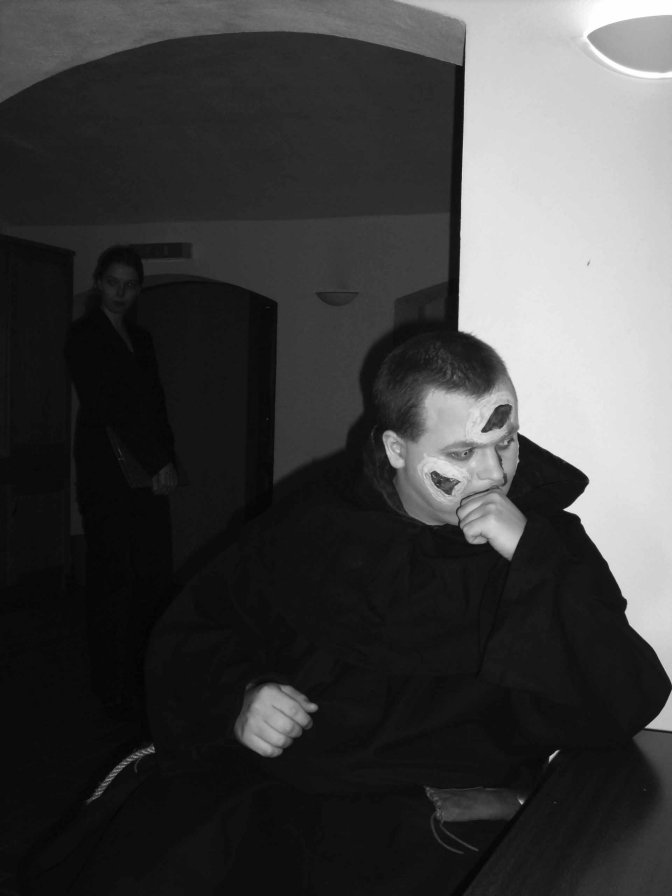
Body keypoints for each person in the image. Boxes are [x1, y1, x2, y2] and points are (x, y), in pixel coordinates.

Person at [34, 329, 670, 895]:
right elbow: (196, 632)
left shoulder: (546, 542)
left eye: (505, 443)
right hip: (288, 795)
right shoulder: (314, 525)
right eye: (460, 454)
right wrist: (241, 697)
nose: (493, 474)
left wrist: (531, 560)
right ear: (396, 449)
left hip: (441, 817)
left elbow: (624, 697)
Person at [64, 245, 178, 721]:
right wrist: (156, 462)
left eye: (129, 285)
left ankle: (139, 673)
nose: (120, 292)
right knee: (111, 575)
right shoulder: (83, 335)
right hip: (106, 470)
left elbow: (154, 405)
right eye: (112, 282)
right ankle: (109, 684)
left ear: (138, 289)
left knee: (151, 571)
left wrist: (168, 462)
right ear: (98, 281)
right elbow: (107, 404)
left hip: (146, 470)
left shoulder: (141, 338)